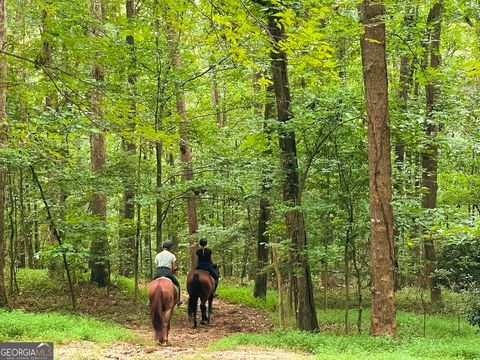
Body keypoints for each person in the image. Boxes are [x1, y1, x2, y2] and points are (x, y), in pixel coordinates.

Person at [153, 240, 182, 306]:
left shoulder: (158, 255)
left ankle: (149, 300)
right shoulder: (172, 256)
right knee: (177, 285)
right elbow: (174, 268)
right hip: (167, 272)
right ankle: (178, 300)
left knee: (151, 283)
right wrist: (175, 270)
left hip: (159, 272)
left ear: (163, 247)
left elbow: (156, 266)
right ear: (170, 248)